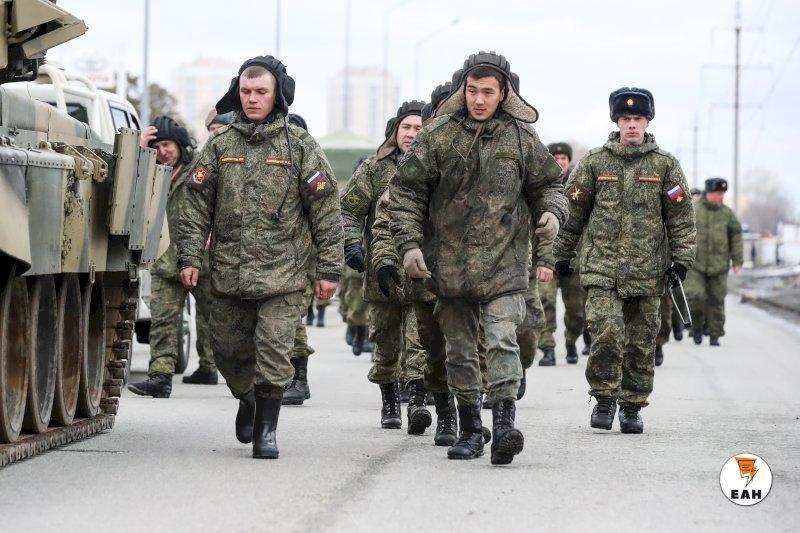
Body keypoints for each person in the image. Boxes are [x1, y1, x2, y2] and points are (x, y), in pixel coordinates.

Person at [389, 51, 568, 464]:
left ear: (503, 94)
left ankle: (504, 426)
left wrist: (552, 214)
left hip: (505, 264)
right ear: (463, 91)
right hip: (449, 265)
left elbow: (549, 185)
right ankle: (470, 430)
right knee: (460, 351)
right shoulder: (439, 136)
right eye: (472, 91)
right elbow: (406, 194)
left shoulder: (520, 137)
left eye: (488, 92)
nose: (479, 99)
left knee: (503, 340)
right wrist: (409, 245)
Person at [176, 56, 343, 459]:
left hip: (284, 275)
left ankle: (267, 429)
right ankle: (247, 397)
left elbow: (325, 209)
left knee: (273, 350)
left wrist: (329, 269)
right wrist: (190, 256)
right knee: (228, 351)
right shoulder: (221, 146)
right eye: (246, 92)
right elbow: (194, 206)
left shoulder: (300, 147)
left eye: (261, 92)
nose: (252, 99)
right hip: (229, 273)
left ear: (277, 95)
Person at [554, 87, 696, 434]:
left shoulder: (665, 166)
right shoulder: (594, 163)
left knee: (641, 343)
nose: (632, 124)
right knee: (606, 334)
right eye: (625, 118)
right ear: (616, 121)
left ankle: (632, 405)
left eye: (638, 118)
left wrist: (681, 261)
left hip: (648, 273)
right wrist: (559, 254)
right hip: (602, 269)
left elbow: (681, 219)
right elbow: (572, 215)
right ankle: (604, 398)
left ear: (647, 121)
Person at [341, 101, 431, 432]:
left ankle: (418, 400)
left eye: (419, 128)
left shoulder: (436, 167)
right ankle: (390, 401)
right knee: (385, 341)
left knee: (421, 340)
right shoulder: (374, 168)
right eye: (406, 127)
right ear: (394, 131)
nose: (411, 134)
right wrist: (352, 243)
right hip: (382, 273)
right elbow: (349, 209)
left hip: (423, 273)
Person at [128, 116, 219, 397]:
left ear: (179, 145)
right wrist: (140, 151)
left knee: (215, 318)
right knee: (163, 321)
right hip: (165, 259)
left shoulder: (199, 169)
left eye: (167, 145)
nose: (163, 152)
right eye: (156, 147)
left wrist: (214, 231)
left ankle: (215, 368)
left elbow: (220, 200)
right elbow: (127, 189)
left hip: (202, 260)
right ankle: (160, 376)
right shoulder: (148, 171)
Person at [538, 142, 588, 366]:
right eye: (556, 158)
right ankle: (547, 348)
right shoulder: (539, 185)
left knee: (576, 309)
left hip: (571, 257)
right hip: (545, 255)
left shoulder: (579, 188)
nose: (560, 162)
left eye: (563, 159)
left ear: (569, 161)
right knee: (545, 301)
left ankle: (571, 340)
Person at [686, 177, 743, 346]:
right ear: (709, 193)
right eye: (718, 193)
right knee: (695, 297)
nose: (721, 197)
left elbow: (736, 237)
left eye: (723, 194)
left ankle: (715, 334)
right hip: (696, 265)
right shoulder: (694, 210)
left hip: (719, 265)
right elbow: (682, 232)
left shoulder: (727, 214)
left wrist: (737, 261)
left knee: (717, 300)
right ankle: (696, 327)